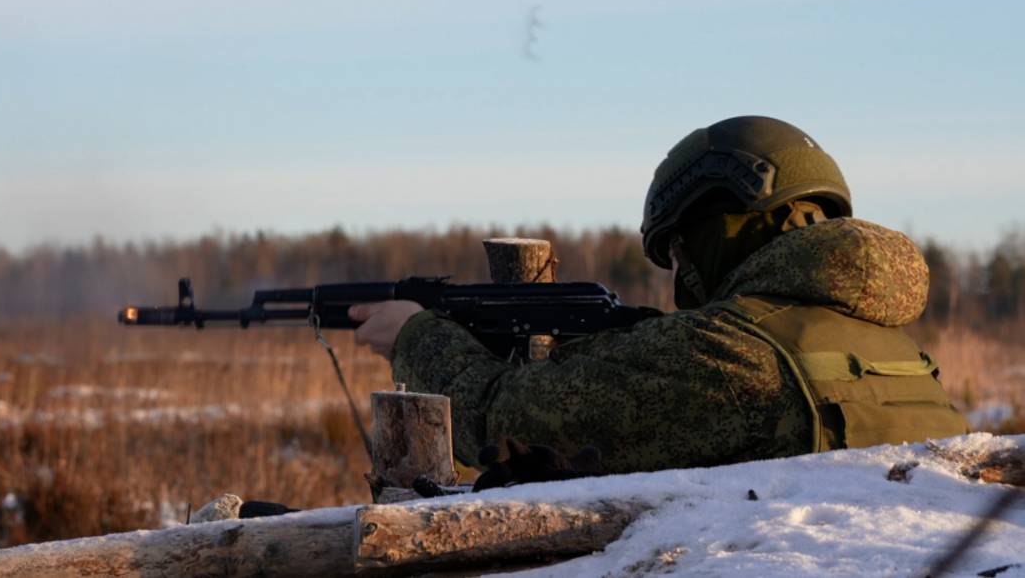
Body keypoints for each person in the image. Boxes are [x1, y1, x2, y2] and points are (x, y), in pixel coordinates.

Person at [349, 115, 969, 474]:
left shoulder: (728, 353)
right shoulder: (899, 350)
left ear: (719, 227)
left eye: (678, 249)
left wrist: (413, 335)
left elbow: (501, 418)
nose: (680, 272)